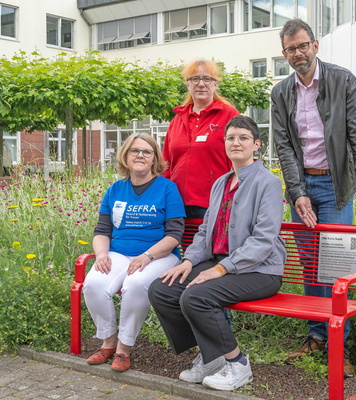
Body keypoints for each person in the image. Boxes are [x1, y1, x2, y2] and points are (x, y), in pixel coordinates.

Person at [148, 115, 286, 391]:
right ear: (224, 143)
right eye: (231, 138)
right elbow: (205, 232)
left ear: (256, 145)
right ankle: (212, 358)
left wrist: (220, 269)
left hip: (259, 270)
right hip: (221, 263)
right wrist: (188, 261)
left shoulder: (267, 183)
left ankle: (237, 363)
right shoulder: (221, 183)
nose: (237, 143)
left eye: (244, 138)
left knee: (197, 296)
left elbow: (263, 240)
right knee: (162, 289)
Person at [271, 19, 356, 377]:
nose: (297, 53)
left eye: (302, 46)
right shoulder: (280, 92)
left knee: (335, 267)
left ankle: (340, 346)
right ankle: (317, 335)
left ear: (315, 45)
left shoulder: (342, 80)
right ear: (284, 54)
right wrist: (297, 193)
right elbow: (284, 146)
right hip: (303, 188)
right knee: (310, 264)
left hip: (335, 186)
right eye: (290, 49)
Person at [83, 133, 185, 372]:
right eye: (134, 151)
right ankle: (107, 342)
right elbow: (102, 230)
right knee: (94, 283)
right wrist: (101, 255)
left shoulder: (167, 188)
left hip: (159, 256)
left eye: (147, 151)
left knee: (136, 284)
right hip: (118, 253)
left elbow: (174, 235)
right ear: (125, 156)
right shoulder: (115, 190)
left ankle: (123, 349)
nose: (140, 155)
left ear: (154, 159)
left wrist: (148, 256)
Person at [162, 58, 240, 219]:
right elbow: (166, 165)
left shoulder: (229, 116)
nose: (201, 84)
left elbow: (240, 161)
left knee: (212, 245)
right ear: (187, 84)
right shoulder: (176, 121)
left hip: (214, 204)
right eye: (195, 78)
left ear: (215, 84)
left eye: (207, 79)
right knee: (184, 245)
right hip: (178, 206)